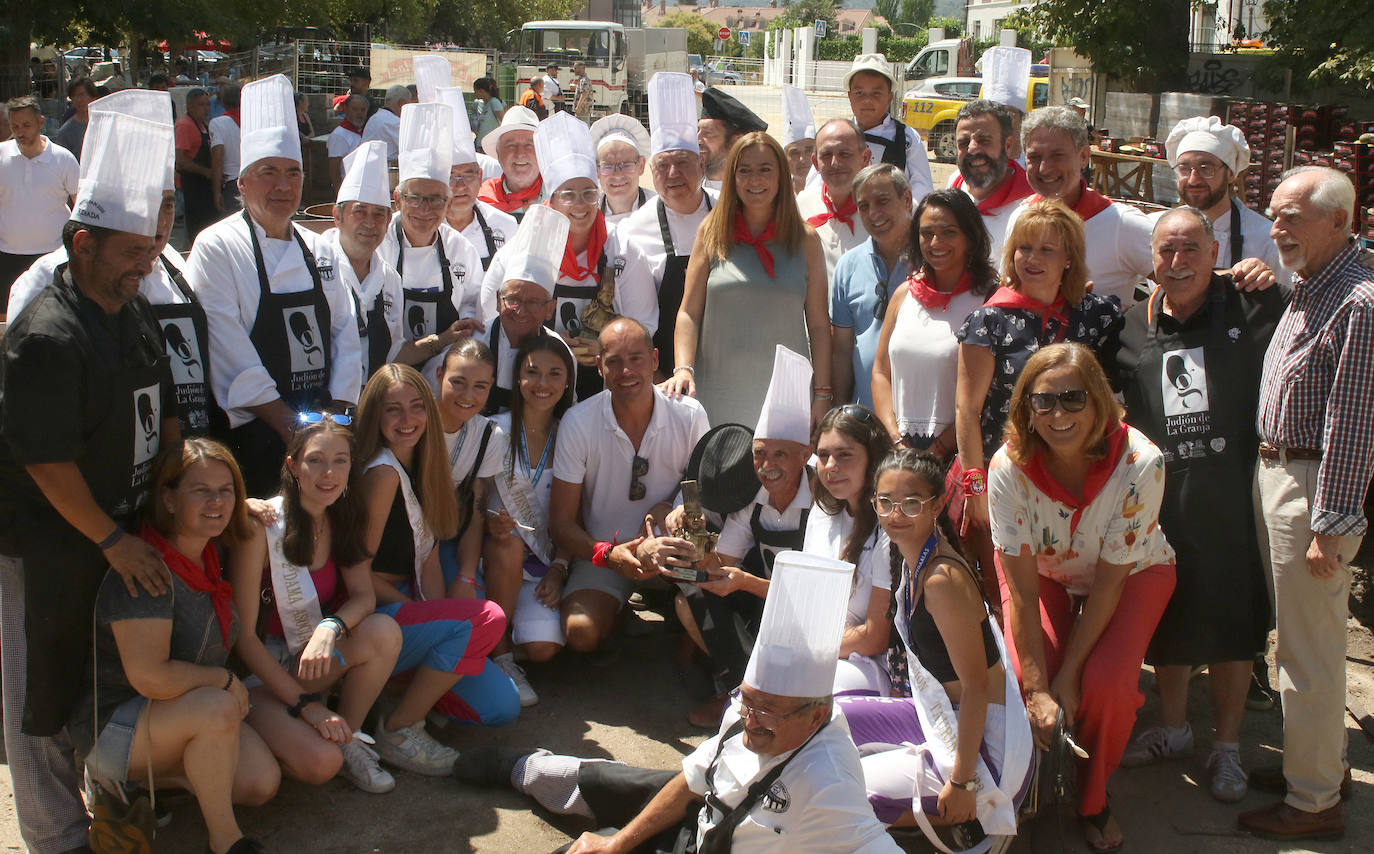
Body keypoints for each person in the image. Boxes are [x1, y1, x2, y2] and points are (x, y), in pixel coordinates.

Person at [454, 552, 904, 854]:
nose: (751, 720)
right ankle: (523, 769)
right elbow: (691, 779)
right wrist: (619, 845)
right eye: (747, 701)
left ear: (817, 715)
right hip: (703, 812)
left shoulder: (830, 779)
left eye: (769, 709)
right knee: (608, 783)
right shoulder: (742, 715)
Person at [0, 111, 179, 854]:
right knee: (39, 694)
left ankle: (104, 815)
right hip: (47, 545)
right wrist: (110, 538)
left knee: (94, 684)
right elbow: (44, 461)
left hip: (114, 536)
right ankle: (54, 837)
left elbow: (158, 400)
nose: (147, 262)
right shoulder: (47, 334)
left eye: (153, 248)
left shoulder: (129, 305)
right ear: (82, 244)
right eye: (133, 251)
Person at [1109, 207, 1286, 804]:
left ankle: (1228, 747)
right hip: (1162, 499)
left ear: (1216, 253)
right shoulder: (1133, 323)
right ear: (1151, 258)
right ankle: (1175, 728)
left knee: (1235, 626)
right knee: (1170, 615)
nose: (1178, 263)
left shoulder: (1255, 304)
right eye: (1166, 252)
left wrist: (1266, 271)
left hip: (1236, 497)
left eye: (1191, 250)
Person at [990, 342, 1177, 853]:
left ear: (1098, 400)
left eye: (1073, 398)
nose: (1058, 413)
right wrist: (1039, 688)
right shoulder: (1008, 465)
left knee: (1106, 686)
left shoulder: (1141, 462)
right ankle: (1029, 787)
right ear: (1025, 407)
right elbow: (1023, 592)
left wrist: (1069, 678)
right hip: (1045, 574)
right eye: (1042, 401)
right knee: (1027, 674)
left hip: (1131, 571)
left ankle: (1093, 799)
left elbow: (1111, 583)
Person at [1238, 167, 1374, 842]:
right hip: (1282, 477)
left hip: (1311, 489)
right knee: (1300, 640)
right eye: (1274, 215)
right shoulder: (1313, 285)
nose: (1277, 229)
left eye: (1292, 217)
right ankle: (1320, 768)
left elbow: (1352, 424)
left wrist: (1329, 525)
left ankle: (1314, 801)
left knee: (1309, 654)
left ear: (1340, 222)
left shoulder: (1358, 302)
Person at [77, 440, 276, 854]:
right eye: (201, 490)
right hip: (114, 725)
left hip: (176, 715)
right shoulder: (146, 568)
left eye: (226, 490)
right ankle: (226, 841)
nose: (217, 501)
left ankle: (153, 786)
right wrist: (222, 680)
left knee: (260, 781)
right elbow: (150, 677)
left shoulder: (207, 554)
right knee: (218, 708)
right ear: (168, 498)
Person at [837, 450, 1033, 845]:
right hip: (942, 716)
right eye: (885, 502)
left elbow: (976, 687)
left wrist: (962, 782)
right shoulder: (913, 561)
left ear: (938, 503)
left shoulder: (941, 578)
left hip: (986, 751)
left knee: (843, 797)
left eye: (911, 502)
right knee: (827, 721)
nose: (896, 514)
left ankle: (972, 819)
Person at [185, 74, 363, 496]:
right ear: (241, 183)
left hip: (322, 434)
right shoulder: (217, 246)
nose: (283, 185)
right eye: (268, 173)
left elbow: (346, 331)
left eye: (293, 172)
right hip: (258, 435)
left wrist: (334, 420)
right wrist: (290, 427)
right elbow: (225, 344)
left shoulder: (320, 248)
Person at [11, 89, 223, 438]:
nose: (157, 223)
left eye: (168, 205)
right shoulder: (41, 283)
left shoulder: (176, 267)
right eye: (143, 208)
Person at [228, 416, 402, 794]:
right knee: (321, 764)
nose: (329, 473)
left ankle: (349, 737)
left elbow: (364, 597)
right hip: (261, 673)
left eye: (340, 460)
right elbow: (243, 639)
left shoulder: (342, 518)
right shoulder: (263, 526)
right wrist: (307, 705)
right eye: (316, 460)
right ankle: (276, 734)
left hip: (308, 657)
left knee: (383, 632)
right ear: (293, 466)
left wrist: (330, 627)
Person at [955, 199, 1123, 578]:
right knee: (1008, 594)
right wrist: (975, 487)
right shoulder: (989, 321)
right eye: (1024, 248)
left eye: (1047, 249)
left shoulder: (1098, 316)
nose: (1032, 258)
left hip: (1076, 481)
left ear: (1069, 258)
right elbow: (967, 411)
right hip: (1006, 480)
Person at [356, 365, 520, 748]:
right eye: (393, 409)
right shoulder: (382, 475)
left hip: (407, 607)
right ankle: (398, 728)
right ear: (374, 413)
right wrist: (428, 617)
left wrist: (436, 613)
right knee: (486, 618)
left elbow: (428, 554)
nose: (408, 419)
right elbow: (359, 577)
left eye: (416, 406)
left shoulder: (424, 464)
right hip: (375, 616)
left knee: (501, 705)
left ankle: (397, 688)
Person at [549, 318, 710, 654]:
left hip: (672, 550)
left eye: (636, 359)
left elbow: (699, 493)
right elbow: (561, 523)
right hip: (606, 554)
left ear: (654, 360)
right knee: (581, 634)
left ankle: (684, 625)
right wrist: (608, 555)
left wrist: (673, 508)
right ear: (599, 367)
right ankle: (621, 610)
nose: (626, 371)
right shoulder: (578, 422)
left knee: (709, 612)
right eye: (614, 362)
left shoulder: (690, 414)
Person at [676, 346, 815, 727]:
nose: (767, 466)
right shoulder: (749, 500)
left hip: (817, 617)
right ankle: (743, 693)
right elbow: (721, 567)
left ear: (805, 455)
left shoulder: (825, 501)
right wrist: (695, 538)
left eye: (780, 455)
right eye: (759, 454)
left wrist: (745, 582)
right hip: (766, 607)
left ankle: (766, 703)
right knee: (692, 591)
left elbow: (816, 592)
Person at [666, 132, 831, 430]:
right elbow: (688, 312)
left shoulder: (806, 240)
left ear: (782, 175)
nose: (755, 180)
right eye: (745, 171)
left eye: (765, 169)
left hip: (785, 397)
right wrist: (683, 369)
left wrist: (822, 393)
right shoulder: (711, 232)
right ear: (733, 178)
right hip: (717, 393)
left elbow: (819, 325)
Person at [487, 112, 657, 401]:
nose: (580, 204)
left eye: (589, 193)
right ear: (551, 201)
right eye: (568, 194)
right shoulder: (520, 250)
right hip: (532, 387)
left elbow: (644, 323)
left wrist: (606, 347)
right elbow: (491, 317)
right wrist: (545, 344)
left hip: (602, 390)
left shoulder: (622, 250)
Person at [873, 188, 997, 467]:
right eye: (926, 233)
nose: (935, 242)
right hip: (900, 452)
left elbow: (990, 389)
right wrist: (895, 440)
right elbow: (881, 371)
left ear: (970, 236)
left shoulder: (991, 300)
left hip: (961, 453)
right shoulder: (903, 294)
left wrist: (940, 447)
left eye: (949, 232)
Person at [483, 336, 579, 696]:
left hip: (541, 563)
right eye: (532, 372)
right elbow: (472, 501)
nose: (542, 384)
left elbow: (577, 515)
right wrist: (488, 522)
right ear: (517, 378)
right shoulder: (494, 430)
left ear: (567, 380)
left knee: (544, 648)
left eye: (554, 374)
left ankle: (489, 646)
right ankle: (500, 655)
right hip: (493, 558)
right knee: (505, 546)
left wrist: (559, 568)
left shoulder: (573, 433)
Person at [378, 101, 485, 382]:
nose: (425, 210)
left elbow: (470, 314)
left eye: (436, 199)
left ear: (448, 202)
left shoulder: (462, 250)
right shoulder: (379, 246)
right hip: (382, 376)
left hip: (442, 379)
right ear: (398, 199)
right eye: (415, 198)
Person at [620, 72, 715, 370]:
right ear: (650, 170)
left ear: (701, 164)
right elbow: (637, 322)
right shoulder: (632, 231)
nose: (673, 174)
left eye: (683, 163)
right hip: (666, 373)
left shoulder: (730, 211)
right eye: (663, 165)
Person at [806, 405, 894, 696]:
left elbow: (874, 638)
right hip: (822, 651)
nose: (830, 466)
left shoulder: (890, 526)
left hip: (875, 666)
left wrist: (812, 645)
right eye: (823, 456)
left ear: (873, 459)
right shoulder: (821, 512)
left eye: (844, 455)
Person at [324, 140, 420, 386]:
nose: (369, 223)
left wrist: (440, 342)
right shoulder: (316, 267)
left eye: (379, 214)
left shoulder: (390, 280)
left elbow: (394, 350)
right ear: (337, 216)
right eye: (359, 211)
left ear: (389, 220)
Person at [1160, 116, 1289, 285]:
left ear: (1230, 174)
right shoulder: (1157, 231)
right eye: (1184, 169)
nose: (1193, 179)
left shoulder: (1267, 240)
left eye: (1206, 169)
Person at [832, 164, 915, 410]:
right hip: (865, 419)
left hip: (920, 419)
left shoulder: (933, 261)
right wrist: (837, 410)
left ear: (907, 199)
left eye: (882, 201)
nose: (874, 214)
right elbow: (842, 351)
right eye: (864, 206)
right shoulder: (848, 266)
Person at [478, 206, 568, 413]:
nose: (521, 311)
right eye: (513, 299)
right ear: (499, 300)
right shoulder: (475, 344)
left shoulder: (560, 354)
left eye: (534, 302)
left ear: (550, 309)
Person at [0, 95, 79, 310]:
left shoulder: (63, 159)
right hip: (7, 256)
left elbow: (79, 205)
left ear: (41, 123)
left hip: (53, 256)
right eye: (15, 126)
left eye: (26, 125)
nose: (20, 131)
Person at [438, 86, 518, 272]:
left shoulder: (505, 225)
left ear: (480, 176)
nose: (460, 186)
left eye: (468, 175)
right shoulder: (423, 228)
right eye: (451, 176)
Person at [950, 99, 1034, 260]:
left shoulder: (1031, 204)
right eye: (964, 142)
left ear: (1008, 146)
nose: (973, 149)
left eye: (984, 140)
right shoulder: (954, 183)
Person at [845, 54, 933, 205]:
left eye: (876, 93)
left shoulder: (907, 138)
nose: (867, 100)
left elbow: (922, 187)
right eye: (859, 93)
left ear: (889, 98)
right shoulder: (837, 136)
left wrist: (901, 213)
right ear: (849, 96)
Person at [796, 119, 872, 277]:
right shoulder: (800, 206)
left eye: (845, 154)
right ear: (815, 163)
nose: (835, 163)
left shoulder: (888, 209)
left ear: (865, 158)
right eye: (826, 155)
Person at [478, 105, 544, 220]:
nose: (520, 154)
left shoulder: (559, 198)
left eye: (529, 145)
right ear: (498, 153)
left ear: (542, 153)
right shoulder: (481, 199)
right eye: (511, 145)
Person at [697, 86, 767, 191]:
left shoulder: (751, 195)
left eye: (708, 133)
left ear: (736, 142)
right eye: (697, 132)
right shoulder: (689, 193)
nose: (698, 140)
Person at [590, 114, 654, 225]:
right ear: (597, 171)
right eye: (608, 166)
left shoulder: (660, 210)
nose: (618, 175)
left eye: (626, 165)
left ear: (641, 166)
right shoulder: (588, 215)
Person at [177, 87, 220, 239]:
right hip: (193, 188)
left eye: (208, 105)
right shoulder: (184, 125)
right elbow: (180, 160)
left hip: (207, 188)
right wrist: (206, 172)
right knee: (197, 232)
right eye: (201, 105)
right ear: (189, 106)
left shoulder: (204, 125)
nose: (206, 109)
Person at [209, 80, 243, 214]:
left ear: (222, 102)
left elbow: (218, 157)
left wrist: (216, 191)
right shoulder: (252, 121)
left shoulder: (217, 123)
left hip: (231, 184)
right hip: (255, 180)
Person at [780, 83, 816, 194]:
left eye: (809, 150)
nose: (802, 159)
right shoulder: (779, 193)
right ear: (785, 158)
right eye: (794, 152)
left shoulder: (829, 191)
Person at [327, 93, 368, 189]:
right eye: (355, 109)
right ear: (346, 109)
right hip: (348, 188)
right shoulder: (339, 135)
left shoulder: (364, 131)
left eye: (363, 110)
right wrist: (339, 193)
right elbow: (334, 168)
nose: (359, 113)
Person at [363, 85, 412, 163]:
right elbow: (410, 150)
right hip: (385, 170)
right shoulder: (395, 122)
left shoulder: (374, 118)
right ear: (402, 103)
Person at [53, 76, 97, 159]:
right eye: (74, 96)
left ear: (93, 97)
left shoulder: (104, 124)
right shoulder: (66, 131)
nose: (79, 100)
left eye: (82, 95)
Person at [471, 76, 507, 152]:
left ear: (481, 91)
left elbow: (503, 121)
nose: (475, 93)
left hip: (490, 147)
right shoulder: (485, 104)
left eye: (475, 90)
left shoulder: (494, 102)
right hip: (481, 145)